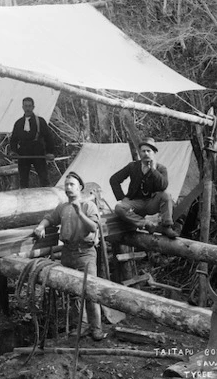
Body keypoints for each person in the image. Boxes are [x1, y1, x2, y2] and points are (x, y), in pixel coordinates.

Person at [34, 171, 106, 341]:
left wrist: (80, 213)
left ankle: (96, 328)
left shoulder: (89, 206)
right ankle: (81, 325)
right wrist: (41, 226)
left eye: (71, 184)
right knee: (73, 292)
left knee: (90, 291)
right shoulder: (63, 207)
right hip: (68, 252)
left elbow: (94, 228)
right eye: (66, 185)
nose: (68, 188)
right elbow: (50, 218)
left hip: (85, 253)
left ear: (80, 187)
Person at [109, 137, 179, 238]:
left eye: (149, 151)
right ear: (139, 153)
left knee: (166, 195)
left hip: (152, 203)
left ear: (154, 153)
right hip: (136, 203)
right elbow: (114, 180)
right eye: (143, 151)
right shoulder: (133, 166)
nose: (146, 153)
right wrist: (122, 197)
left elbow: (163, 186)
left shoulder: (161, 168)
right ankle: (146, 224)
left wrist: (153, 170)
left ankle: (166, 227)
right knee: (119, 208)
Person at [10, 97, 55, 188]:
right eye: (26, 106)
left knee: (44, 179)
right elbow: (13, 139)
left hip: (37, 152)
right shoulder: (18, 123)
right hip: (23, 154)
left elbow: (48, 137)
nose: (28, 108)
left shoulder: (40, 121)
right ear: (22, 107)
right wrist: (13, 151)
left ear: (33, 107)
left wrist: (50, 152)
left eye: (30, 106)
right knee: (23, 181)